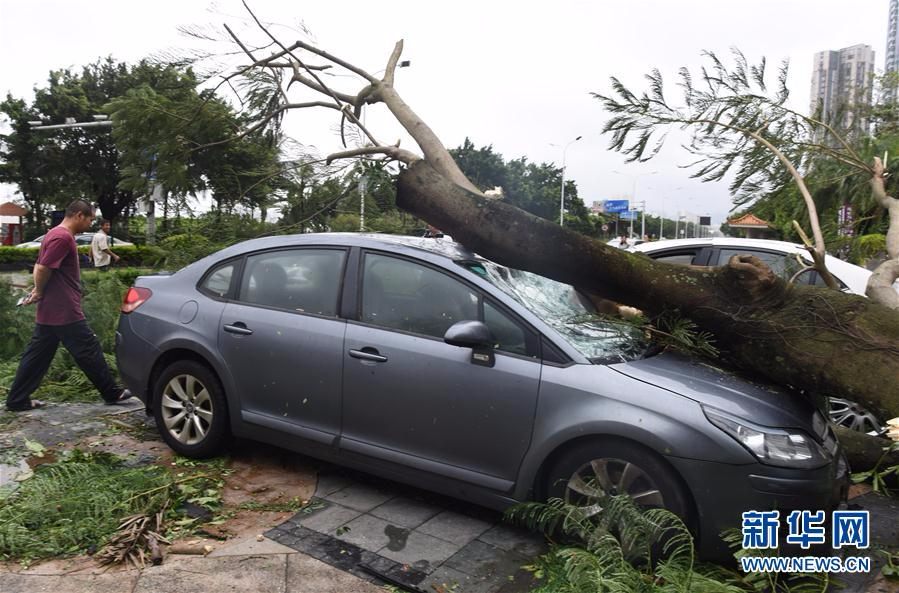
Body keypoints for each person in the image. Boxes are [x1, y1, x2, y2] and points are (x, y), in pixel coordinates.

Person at [4, 200, 131, 411]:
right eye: (90, 218)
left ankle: (17, 401)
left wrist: (37, 292)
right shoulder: (62, 237)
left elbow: (39, 266)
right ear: (79, 215)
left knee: (37, 356)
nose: (91, 223)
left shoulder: (54, 234)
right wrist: (40, 291)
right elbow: (43, 268)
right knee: (88, 349)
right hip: (63, 308)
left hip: (52, 309)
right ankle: (112, 393)